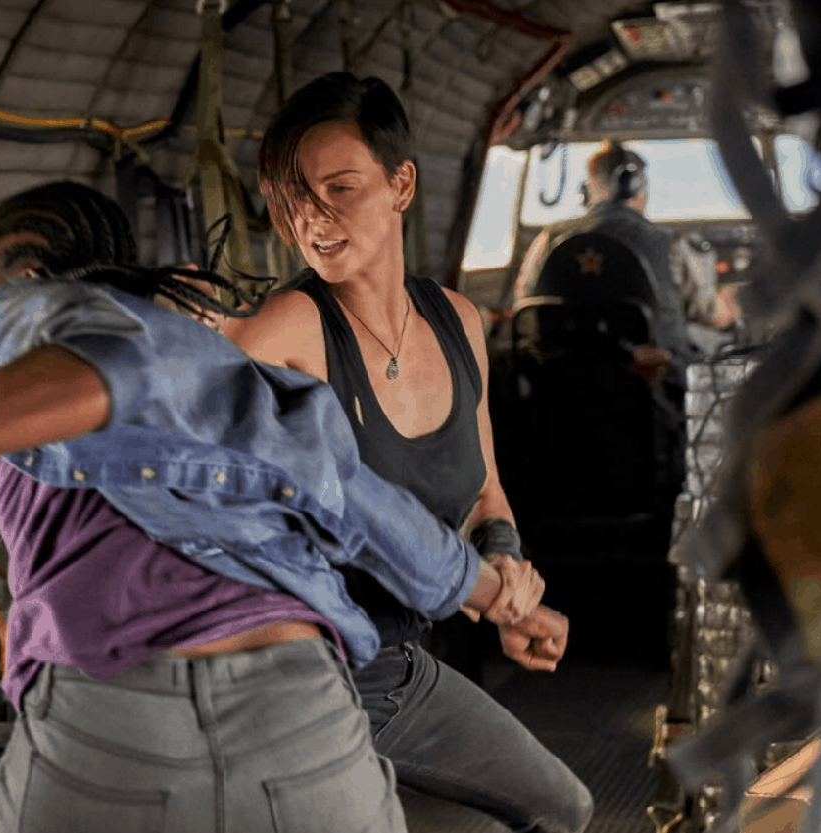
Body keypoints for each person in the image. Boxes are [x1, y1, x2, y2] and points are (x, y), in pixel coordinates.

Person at [0, 182, 566, 832]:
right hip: (307, 722)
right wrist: (497, 594)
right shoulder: (246, 382)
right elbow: (372, 512)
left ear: (19, 277)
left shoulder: (28, 312)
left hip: (121, 722)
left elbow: (111, 364)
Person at [221, 73, 594, 833]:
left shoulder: (456, 320)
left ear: (401, 185)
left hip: (399, 665)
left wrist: (508, 574)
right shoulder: (284, 331)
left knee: (556, 807)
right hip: (305, 678)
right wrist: (482, 591)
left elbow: (484, 490)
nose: (312, 218)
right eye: (293, 198)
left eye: (340, 188)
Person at [514, 140, 740, 359]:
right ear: (634, 185)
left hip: (560, 374)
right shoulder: (670, 243)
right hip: (652, 376)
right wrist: (732, 300)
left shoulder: (549, 238)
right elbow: (712, 315)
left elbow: (523, 302)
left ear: (586, 190)